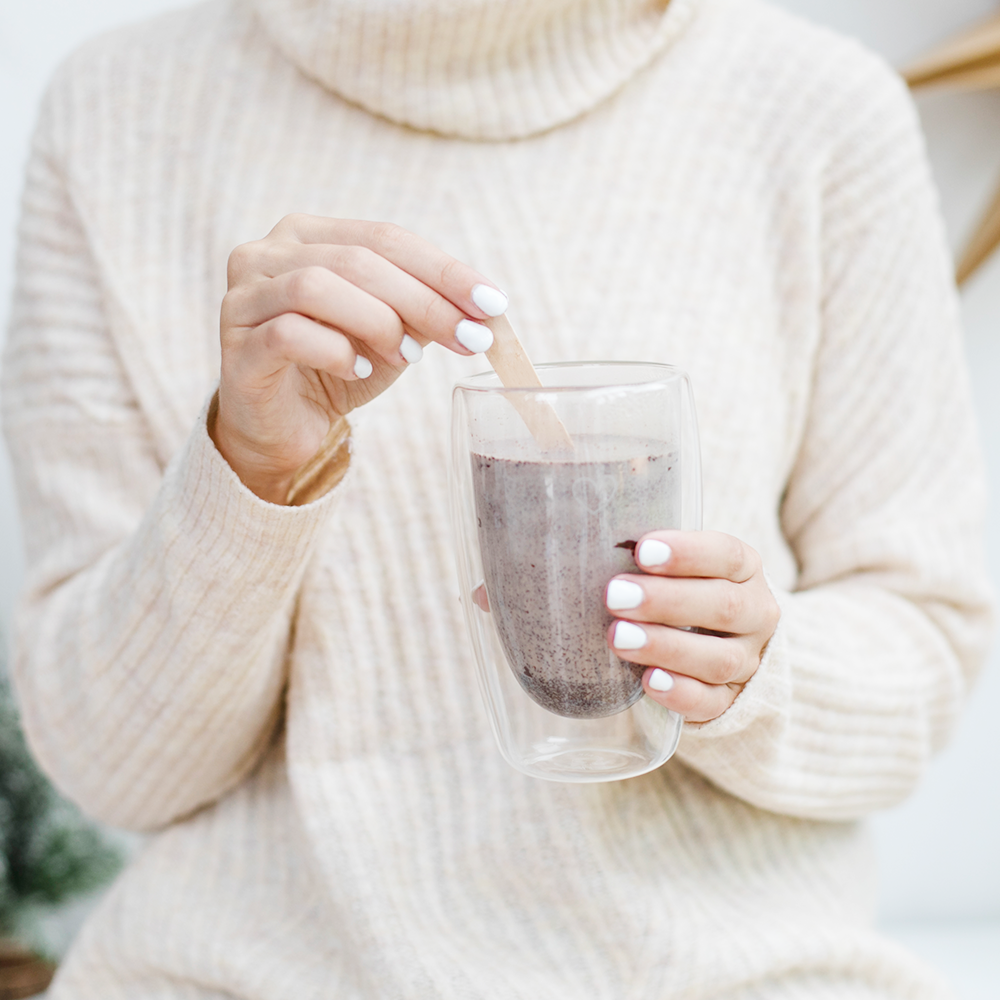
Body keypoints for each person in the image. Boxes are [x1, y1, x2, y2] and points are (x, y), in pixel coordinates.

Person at [1, 0, 992, 996]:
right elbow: (115, 765)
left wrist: (746, 668)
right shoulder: (114, 115)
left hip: (726, 974)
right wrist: (250, 469)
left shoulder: (817, 109)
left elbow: (923, 644)